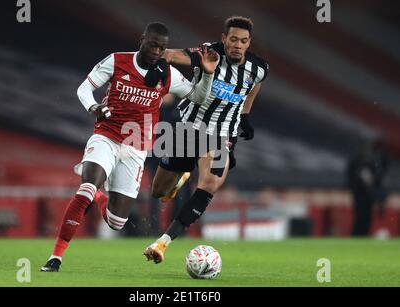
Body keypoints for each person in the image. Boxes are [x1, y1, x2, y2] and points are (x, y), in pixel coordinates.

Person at [40, 22, 219, 272]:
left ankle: (101, 195)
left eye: (162, 47)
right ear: (142, 39)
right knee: (86, 189)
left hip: (136, 147)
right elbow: (85, 88)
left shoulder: (168, 75)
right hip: (107, 136)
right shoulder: (117, 61)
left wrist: (208, 74)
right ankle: (55, 257)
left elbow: (199, 97)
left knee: (117, 221)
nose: (157, 51)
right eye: (153, 44)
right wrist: (94, 107)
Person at [143, 16, 269, 264]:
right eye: (233, 39)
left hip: (222, 136)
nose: (237, 45)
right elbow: (169, 54)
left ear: (248, 43)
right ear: (224, 39)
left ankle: (162, 243)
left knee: (210, 183)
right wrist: (159, 67)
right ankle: (181, 178)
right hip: (188, 129)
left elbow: (253, 89)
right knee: (159, 191)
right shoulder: (207, 53)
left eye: (243, 41)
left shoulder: (259, 68)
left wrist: (244, 117)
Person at [347, 140, 389, 236]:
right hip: (361, 194)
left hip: (365, 195)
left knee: (365, 217)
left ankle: (361, 235)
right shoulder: (360, 162)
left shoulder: (368, 162)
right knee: (361, 217)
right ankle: (358, 235)